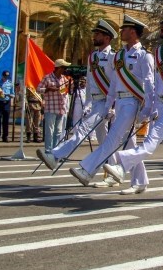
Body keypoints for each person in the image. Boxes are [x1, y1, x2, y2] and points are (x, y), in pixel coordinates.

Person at [104, 9, 163, 202]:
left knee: (151, 140)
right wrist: (151, 106)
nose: (161, 29)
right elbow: (156, 81)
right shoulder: (160, 51)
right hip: (162, 105)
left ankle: (122, 164)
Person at [70, 15, 154, 192]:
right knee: (128, 142)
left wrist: (147, 109)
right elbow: (114, 83)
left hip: (133, 102)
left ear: (132, 32)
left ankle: (87, 169)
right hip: (120, 102)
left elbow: (149, 84)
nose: (121, 32)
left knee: (112, 138)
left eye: (124, 29)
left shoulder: (144, 56)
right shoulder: (120, 55)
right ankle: (140, 181)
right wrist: (109, 105)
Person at [37, 19, 117, 171]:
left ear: (107, 38)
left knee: (82, 130)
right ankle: (112, 169)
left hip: (105, 103)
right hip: (95, 102)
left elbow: (116, 82)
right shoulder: (92, 57)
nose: (94, 36)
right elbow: (90, 81)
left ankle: (55, 156)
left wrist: (112, 105)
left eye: (98, 34)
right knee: (104, 139)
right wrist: (87, 103)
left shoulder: (114, 57)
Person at [36, 58, 74, 154]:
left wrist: (68, 88)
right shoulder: (47, 78)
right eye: (64, 67)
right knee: (49, 131)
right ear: (58, 68)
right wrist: (48, 89)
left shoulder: (64, 79)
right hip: (51, 108)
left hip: (61, 108)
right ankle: (48, 150)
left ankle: (55, 150)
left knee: (58, 131)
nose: (65, 69)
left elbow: (64, 91)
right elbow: (38, 89)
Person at [0, 70, 14, 142]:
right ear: (2, 76)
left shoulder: (10, 84)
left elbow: (13, 94)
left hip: (6, 102)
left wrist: (10, 95)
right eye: (5, 76)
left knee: (6, 120)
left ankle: (5, 136)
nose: (6, 78)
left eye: (7, 77)